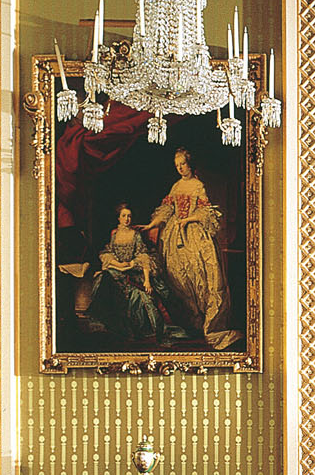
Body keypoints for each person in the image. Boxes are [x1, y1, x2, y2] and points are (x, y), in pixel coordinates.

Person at [144, 149, 240, 349]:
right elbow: (168, 209)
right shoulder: (176, 186)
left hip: (194, 234)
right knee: (179, 277)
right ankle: (190, 323)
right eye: (177, 165)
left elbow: (206, 212)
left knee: (202, 275)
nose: (180, 168)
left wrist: (187, 220)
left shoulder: (198, 185)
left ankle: (207, 323)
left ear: (190, 164)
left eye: (183, 164)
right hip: (174, 237)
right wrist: (153, 224)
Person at [85, 203, 173, 341]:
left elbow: (143, 256)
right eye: (124, 216)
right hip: (117, 270)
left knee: (142, 298)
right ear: (119, 218)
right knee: (103, 278)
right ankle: (101, 322)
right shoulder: (115, 234)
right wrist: (118, 264)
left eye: (129, 216)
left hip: (132, 273)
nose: (127, 219)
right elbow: (108, 252)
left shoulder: (136, 234)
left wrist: (146, 280)